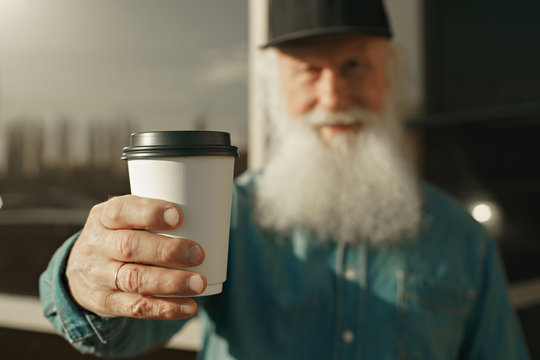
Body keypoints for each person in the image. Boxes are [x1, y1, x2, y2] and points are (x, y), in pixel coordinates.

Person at [40, 0, 529, 358]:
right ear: (277, 90)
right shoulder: (225, 216)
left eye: (354, 65)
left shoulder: (461, 238)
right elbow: (124, 332)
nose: (333, 96)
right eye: (308, 70)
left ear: (391, 76)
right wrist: (87, 279)